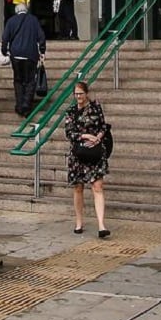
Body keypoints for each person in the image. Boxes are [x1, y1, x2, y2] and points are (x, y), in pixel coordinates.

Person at [64, 80, 112, 236]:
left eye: (81, 94)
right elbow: (69, 133)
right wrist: (85, 135)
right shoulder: (70, 111)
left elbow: (104, 126)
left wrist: (97, 137)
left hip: (95, 152)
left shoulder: (95, 107)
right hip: (78, 153)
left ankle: (101, 225)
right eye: (76, 94)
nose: (78, 97)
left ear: (86, 93)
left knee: (97, 187)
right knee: (78, 188)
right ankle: (79, 222)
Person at [3, 3, 46, 117]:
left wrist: (4, 51)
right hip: (31, 54)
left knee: (18, 80)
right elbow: (41, 36)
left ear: (16, 11)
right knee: (30, 80)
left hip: (16, 54)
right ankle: (26, 105)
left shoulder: (11, 21)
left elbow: (5, 37)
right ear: (26, 10)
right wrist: (42, 50)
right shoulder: (33, 20)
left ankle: (19, 105)